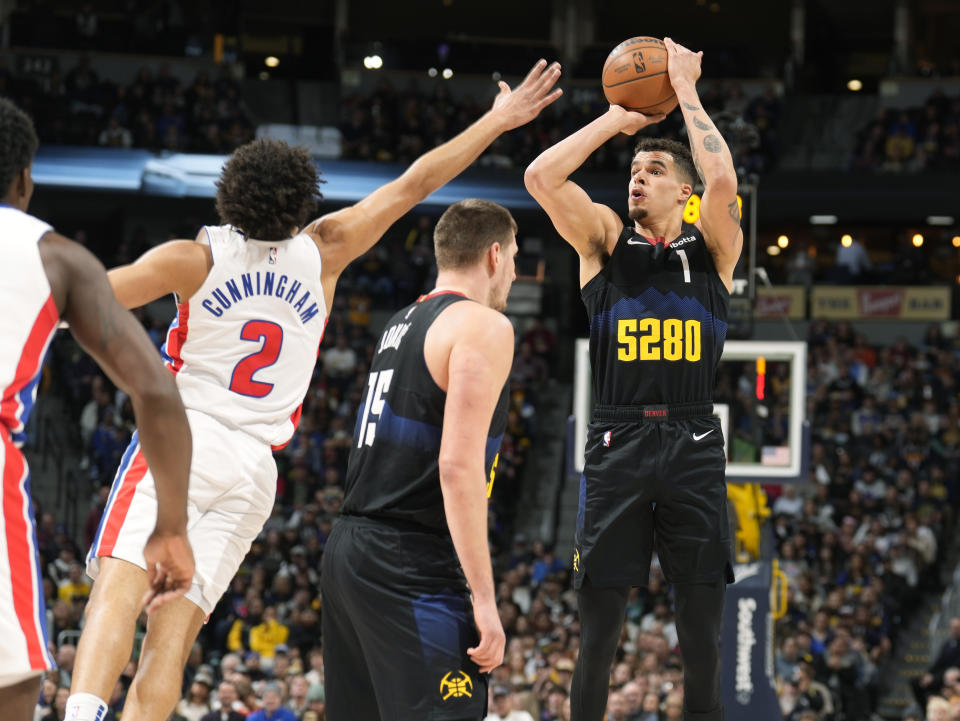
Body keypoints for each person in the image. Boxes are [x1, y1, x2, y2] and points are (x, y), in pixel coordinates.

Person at [67, 59, 561, 721]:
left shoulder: (198, 257)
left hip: (183, 442)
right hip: (255, 472)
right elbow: (417, 182)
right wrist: (498, 120)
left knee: (119, 597)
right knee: (172, 635)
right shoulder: (325, 248)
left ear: (229, 195)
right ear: (304, 199)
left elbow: (87, 302)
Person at [524, 38, 741, 721]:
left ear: (684, 189)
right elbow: (541, 177)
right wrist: (621, 118)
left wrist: (685, 91)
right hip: (616, 439)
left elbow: (726, 184)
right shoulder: (603, 242)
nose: (636, 178)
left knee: (702, 633)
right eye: (633, 171)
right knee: (599, 632)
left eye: (653, 170)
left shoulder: (712, 250)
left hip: (694, 436)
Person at [0, 97, 194, 721]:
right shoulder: (54, 256)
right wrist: (168, 527)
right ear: (25, 179)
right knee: (11, 685)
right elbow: (157, 393)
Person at [321, 199, 521, 721]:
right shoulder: (483, 325)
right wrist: (484, 596)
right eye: (517, 258)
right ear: (495, 255)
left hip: (349, 550)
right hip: (410, 561)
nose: (516, 274)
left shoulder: (400, 322)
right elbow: (457, 467)